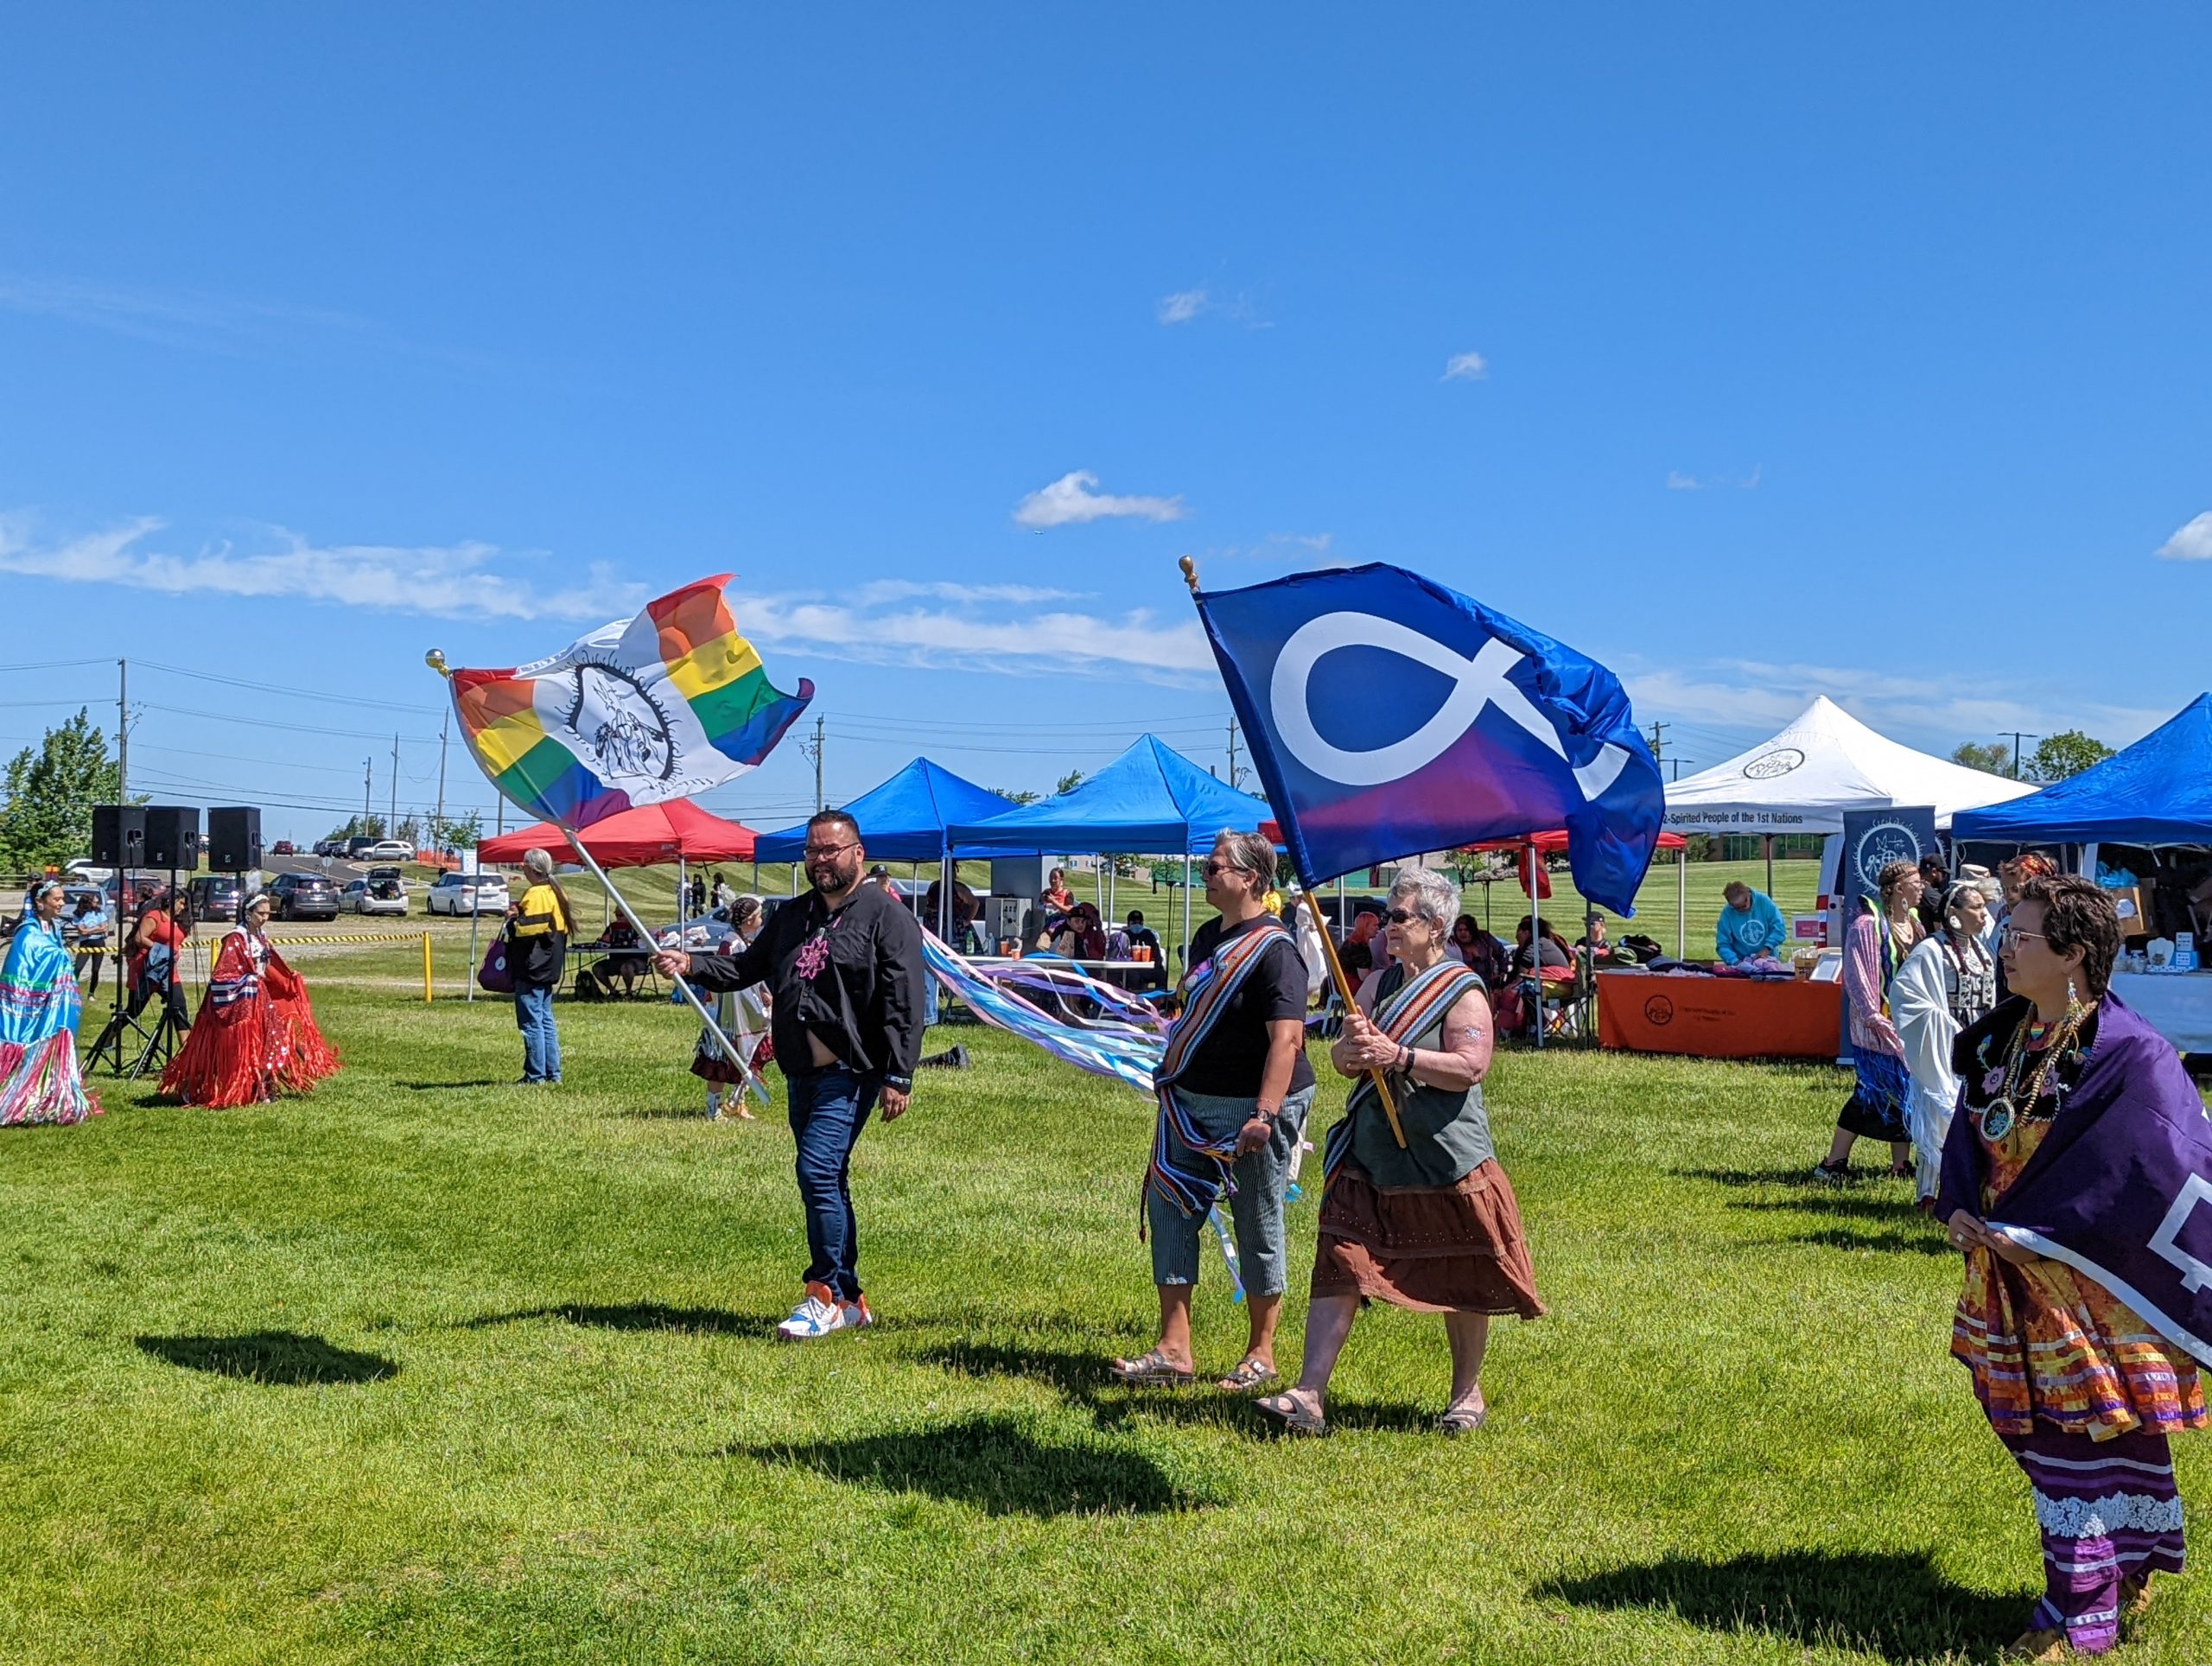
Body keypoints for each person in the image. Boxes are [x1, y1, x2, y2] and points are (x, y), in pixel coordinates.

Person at [1939, 875, 2209, 1659]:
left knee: (2075, 1443)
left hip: (2092, 1285)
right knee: (2045, 1433)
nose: (2005, 949)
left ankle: (2076, 1616)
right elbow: (1970, 1129)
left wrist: (2049, 1229)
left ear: (2075, 956)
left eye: (2022, 937)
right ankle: (2129, 1563)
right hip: (2010, 1276)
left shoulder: (2132, 1055)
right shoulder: (2005, 1038)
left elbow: (2154, 1169)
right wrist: (1959, 1201)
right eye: (2009, 935)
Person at [1257, 868, 1542, 1437]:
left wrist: (1400, 1057)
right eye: (1388, 915)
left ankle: (1467, 1397)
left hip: (1446, 1158)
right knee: (1340, 1261)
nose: (1386, 926)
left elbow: (1470, 1068)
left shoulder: (1461, 989)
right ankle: (1310, 1395)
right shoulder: (1375, 986)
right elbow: (1343, 1058)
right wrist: (1355, 1056)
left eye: (1399, 917)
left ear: (1436, 926)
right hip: (1370, 1153)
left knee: (1463, 1269)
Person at [654, 810, 925, 1339]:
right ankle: (850, 1298)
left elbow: (904, 1000)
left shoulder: (885, 916)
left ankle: (821, 1293)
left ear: (857, 854)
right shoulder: (791, 915)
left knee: (817, 1171)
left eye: (831, 850)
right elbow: (744, 969)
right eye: (812, 851)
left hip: (852, 1072)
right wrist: (691, 964)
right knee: (830, 1179)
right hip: (801, 1074)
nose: (820, 860)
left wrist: (900, 1074)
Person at [1110, 829, 1315, 1393]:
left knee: (1257, 1221)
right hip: (1191, 1101)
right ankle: (1175, 1348)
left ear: (1250, 878)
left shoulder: (1278, 953)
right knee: (1170, 1209)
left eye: (1215, 867)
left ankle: (1262, 1354)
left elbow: (1287, 1042)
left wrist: (1266, 1116)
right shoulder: (1207, 936)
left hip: (1252, 1107)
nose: (1206, 873)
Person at [160, 890, 339, 1107]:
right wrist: (250, 980)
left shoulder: (261, 937)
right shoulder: (236, 937)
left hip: (258, 998)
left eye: (268, 914)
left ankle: (260, 1085)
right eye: (260, 913)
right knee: (224, 1049)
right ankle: (203, 1086)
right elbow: (223, 974)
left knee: (269, 1039)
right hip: (235, 1004)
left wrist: (286, 980)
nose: (265, 918)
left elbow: (268, 966)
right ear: (248, 912)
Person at [1815, 858, 1924, 1182]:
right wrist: (1873, 1017)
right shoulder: (1867, 925)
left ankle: (1901, 1165)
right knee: (1870, 1092)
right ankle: (1833, 1163)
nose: (1922, 887)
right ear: (1898, 888)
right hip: (1876, 1026)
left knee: (1905, 1092)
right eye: (1916, 881)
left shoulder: (1916, 923)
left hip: (1907, 1021)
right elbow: (1859, 975)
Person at [1891, 880, 1997, 1206]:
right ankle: (1928, 1192)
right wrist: (1941, 1023)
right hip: (1946, 1044)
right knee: (1941, 1116)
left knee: (1978, 1116)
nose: (1983, 914)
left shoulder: (1983, 950)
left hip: (1981, 1045)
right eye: (1976, 907)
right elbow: (1904, 992)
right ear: (1954, 913)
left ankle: (1971, 1190)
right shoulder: (1931, 950)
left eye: (1984, 906)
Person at [0, 880, 100, 1126]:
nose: (62, 903)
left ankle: (44, 1100)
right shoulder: (27, 931)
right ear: (40, 902)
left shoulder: (52, 928)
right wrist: (58, 956)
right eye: (56, 899)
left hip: (50, 1004)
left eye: (62, 898)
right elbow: (23, 965)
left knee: (52, 1042)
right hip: (26, 1007)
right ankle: (18, 1100)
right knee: (26, 1045)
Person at [691, 894, 768, 1121]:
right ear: (749, 920)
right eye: (759, 916)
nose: (762, 919)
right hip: (728, 1016)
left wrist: (762, 992)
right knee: (720, 1061)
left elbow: (751, 975)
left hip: (747, 1013)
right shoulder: (731, 943)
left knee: (751, 1056)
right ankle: (712, 1108)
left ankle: (737, 1101)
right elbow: (728, 977)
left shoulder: (743, 941)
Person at [506, 849, 573, 1085]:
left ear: (529, 867)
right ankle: (552, 1073)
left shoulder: (536, 894)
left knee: (531, 1022)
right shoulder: (557, 891)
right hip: (549, 964)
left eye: (523, 864)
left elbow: (526, 929)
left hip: (533, 965)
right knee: (545, 1019)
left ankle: (536, 1075)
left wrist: (513, 918)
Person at [126, 888, 194, 1034]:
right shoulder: (154, 916)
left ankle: (186, 1050)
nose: (183, 908)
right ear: (171, 901)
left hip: (169, 970)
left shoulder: (177, 922)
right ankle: (108, 1039)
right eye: (181, 904)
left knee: (179, 1007)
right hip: (147, 968)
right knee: (133, 1010)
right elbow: (140, 938)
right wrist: (163, 950)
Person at [1715, 881, 1789, 965]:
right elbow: (1723, 944)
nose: (1742, 909)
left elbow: (1779, 928)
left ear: (1748, 894)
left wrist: (1767, 949)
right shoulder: (1727, 913)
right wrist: (1735, 962)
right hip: (1741, 962)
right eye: (1737, 908)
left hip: (1768, 960)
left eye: (1744, 904)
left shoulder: (1764, 902)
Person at [1451, 912, 1511, 988]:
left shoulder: (1484, 938)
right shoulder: (1452, 944)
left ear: (1472, 930)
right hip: (1465, 985)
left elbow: (1502, 952)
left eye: (1466, 930)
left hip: (1488, 983)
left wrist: (1502, 972)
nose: (1463, 933)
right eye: (1460, 930)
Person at [68, 889, 110, 997]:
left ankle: (91, 993)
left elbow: (104, 928)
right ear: (88, 902)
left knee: (95, 969)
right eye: (95, 902)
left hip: (99, 942)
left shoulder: (99, 912)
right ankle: (71, 990)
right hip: (85, 943)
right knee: (78, 967)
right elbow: (82, 931)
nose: (96, 904)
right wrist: (96, 928)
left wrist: (90, 930)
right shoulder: (78, 914)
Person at [1338, 909, 1382, 978]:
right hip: (1351, 986)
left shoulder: (1351, 941)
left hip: (1340, 982)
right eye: (1374, 925)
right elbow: (1364, 977)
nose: (1378, 928)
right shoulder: (1360, 947)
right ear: (1365, 927)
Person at [1916, 853, 1951, 938]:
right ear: (1934, 872)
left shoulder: (1912, 890)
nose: (1944, 878)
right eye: (1943, 874)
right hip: (1925, 941)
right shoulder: (1932, 895)